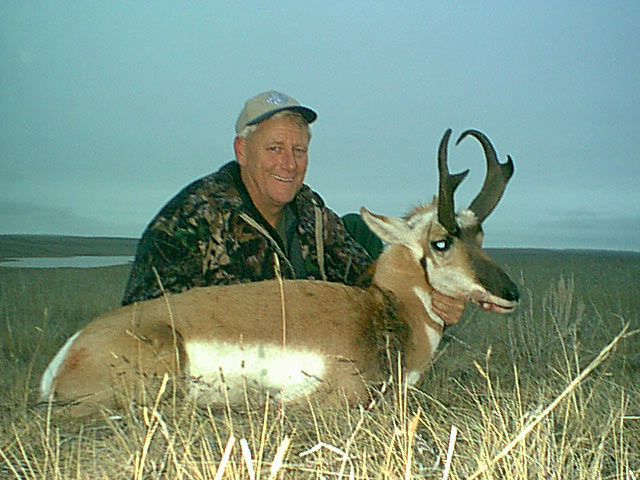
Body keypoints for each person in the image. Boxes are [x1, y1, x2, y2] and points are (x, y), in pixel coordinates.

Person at [122, 91, 465, 324]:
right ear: (242, 151)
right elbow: (142, 318)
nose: (289, 164)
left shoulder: (311, 211)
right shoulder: (192, 217)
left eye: (299, 151)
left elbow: (365, 278)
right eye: (274, 148)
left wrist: (431, 291)